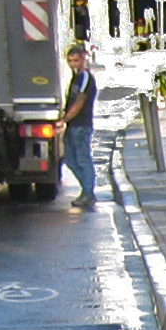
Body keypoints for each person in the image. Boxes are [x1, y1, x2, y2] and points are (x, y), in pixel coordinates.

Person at [61, 45, 97, 209]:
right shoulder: (76, 77)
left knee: (83, 159)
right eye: (70, 61)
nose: (73, 64)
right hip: (72, 125)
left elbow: (80, 101)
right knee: (70, 159)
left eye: (76, 60)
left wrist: (65, 118)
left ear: (83, 59)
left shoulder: (85, 78)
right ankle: (86, 189)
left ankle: (88, 193)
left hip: (81, 125)